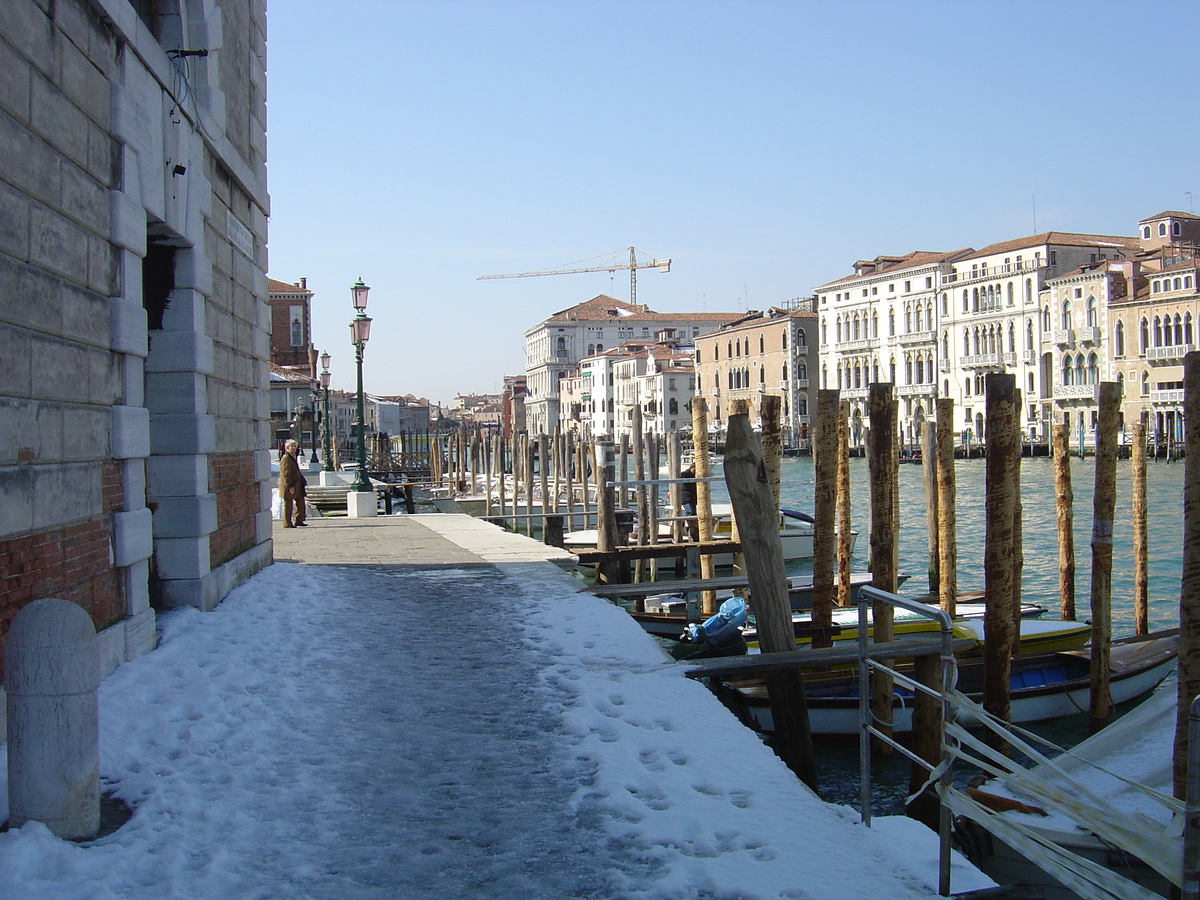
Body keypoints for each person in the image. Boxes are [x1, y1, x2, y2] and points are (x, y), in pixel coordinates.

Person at [278, 439, 308, 527]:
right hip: (290, 484)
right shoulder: (286, 458)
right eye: (291, 446)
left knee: (300, 502)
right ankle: (287, 523)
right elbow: (285, 472)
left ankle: (299, 520)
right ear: (287, 448)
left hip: (297, 484)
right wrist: (289, 485)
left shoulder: (292, 457)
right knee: (288, 504)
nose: (293, 448)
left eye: (295, 446)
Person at [680, 465, 699, 541]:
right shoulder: (685, 474)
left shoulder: (695, 476)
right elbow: (682, 481)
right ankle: (686, 528)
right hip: (686, 498)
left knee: (693, 513)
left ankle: (691, 528)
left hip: (692, 498)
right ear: (692, 468)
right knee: (690, 511)